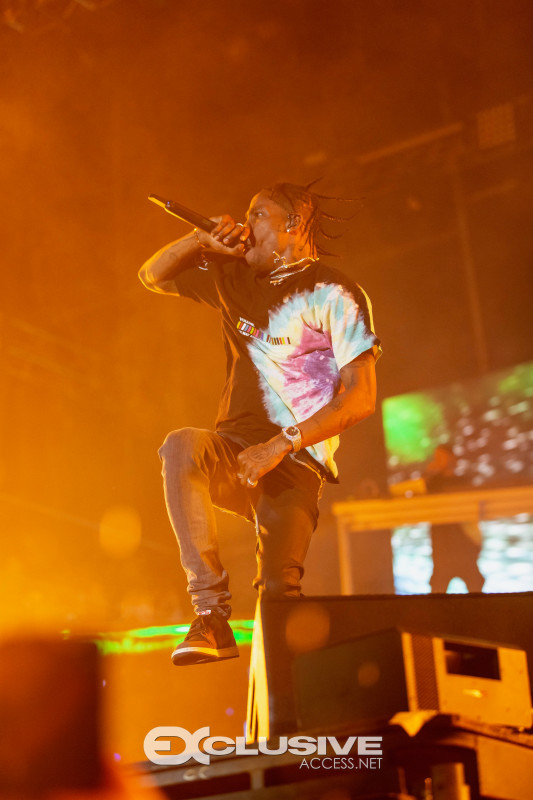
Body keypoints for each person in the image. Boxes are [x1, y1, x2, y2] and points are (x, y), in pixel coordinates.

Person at [139, 182, 381, 665]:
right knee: (182, 445)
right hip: (234, 453)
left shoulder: (334, 292)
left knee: (279, 598)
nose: (245, 226)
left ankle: (294, 694)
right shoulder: (233, 277)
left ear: (292, 223)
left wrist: (280, 445)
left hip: (295, 461)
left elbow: (361, 398)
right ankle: (211, 615)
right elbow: (152, 276)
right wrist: (200, 240)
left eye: (257, 215)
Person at [425, 444, 485, 593]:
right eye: (436, 457)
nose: (438, 460)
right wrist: (429, 475)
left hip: (464, 545)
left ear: (452, 458)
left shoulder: (464, 481)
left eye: (441, 457)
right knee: (438, 590)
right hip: (442, 548)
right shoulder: (432, 483)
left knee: (475, 587)